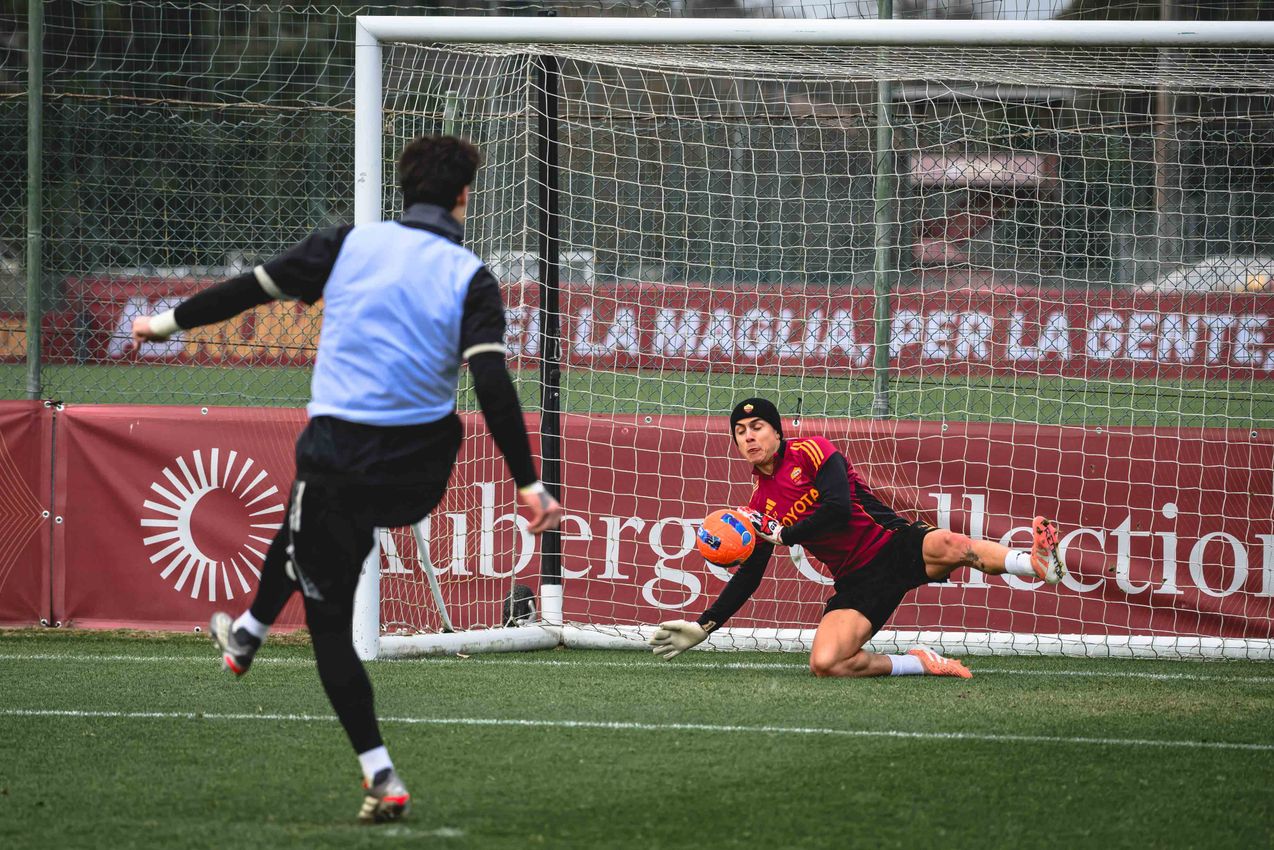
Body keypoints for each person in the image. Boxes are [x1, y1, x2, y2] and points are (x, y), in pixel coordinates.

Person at [131, 135, 563, 823]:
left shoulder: (345, 245)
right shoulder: (472, 276)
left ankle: (380, 775)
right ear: (463, 198)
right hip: (418, 473)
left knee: (327, 608)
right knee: (307, 532)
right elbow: (491, 380)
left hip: (338, 460)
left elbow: (247, 290)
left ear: (402, 190)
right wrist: (528, 483)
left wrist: (163, 323)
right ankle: (245, 633)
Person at [648, 397, 1064, 678]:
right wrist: (705, 626)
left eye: (758, 427)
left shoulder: (812, 451)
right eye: (740, 431)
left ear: (777, 432)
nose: (749, 436)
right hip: (858, 581)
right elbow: (751, 574)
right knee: (826, 663)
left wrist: (787, 533)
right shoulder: (757, 508)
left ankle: (1035, 564)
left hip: (893, 544)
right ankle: (920, 663)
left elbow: (838, 508)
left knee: (951, 545)